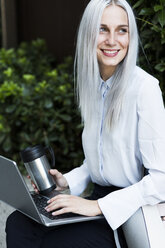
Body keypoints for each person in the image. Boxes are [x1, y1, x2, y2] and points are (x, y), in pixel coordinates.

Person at [6, 0, 165, 247]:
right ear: (88, 33)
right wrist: (66, 182)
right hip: (98, 202)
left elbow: (161, 180)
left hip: (129, 216)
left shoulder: (145, 89)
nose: (113, 40)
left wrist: (95, 206)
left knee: (57, 242)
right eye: (103, 29)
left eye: (122, 30)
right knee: (19, 223)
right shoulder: (94, 85)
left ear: (130, 36)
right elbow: (100, 162)